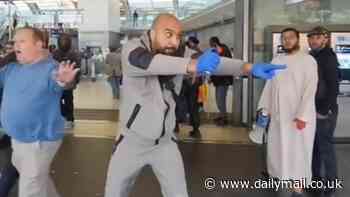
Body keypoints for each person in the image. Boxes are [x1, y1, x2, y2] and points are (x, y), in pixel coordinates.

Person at [104, 13, 286, 197]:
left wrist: (249, 68)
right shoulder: (132, 49)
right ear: (152, 33)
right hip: (131, 142)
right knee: (114, 193)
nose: (174, 42)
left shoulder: (179, 52)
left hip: (165, 143)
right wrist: (192, 65)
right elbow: (148, 62)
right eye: (168, 34)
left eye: (178, 36)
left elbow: (217, 64)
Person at [0, 27, 78, 197]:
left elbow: (59, 80)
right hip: (18, 139)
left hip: (39, 142)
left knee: (31, 188)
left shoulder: (50, 68)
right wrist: (7, 58)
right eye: (14, 42)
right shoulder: (12, 69)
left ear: (39, 45)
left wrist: (64, 81)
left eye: (22, 41)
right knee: (38, 180)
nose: (15, 45)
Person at [258, 28, 318, 197]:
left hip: (299, 118)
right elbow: (269, 86)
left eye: (290, 37)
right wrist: (266, 110)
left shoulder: (308, 60)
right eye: (284, 38)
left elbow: (310, 89)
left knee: (299, 153)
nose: (287, 41)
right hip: (279, 116)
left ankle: (298, 189)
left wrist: (303, 115)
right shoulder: (277, 60)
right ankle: (283, 183)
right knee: (279, 150)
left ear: (298, 39)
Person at [308, 26, 340, 197]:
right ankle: (315, 182)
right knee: (315, 148)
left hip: (324, 111)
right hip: (314, 109)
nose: (313, 40)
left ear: (325, 39)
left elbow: (334, 86)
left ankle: (331, 185)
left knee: (325, 149)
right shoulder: (314, 56)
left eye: (317, 37)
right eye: (311, 38)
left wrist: (323, 110)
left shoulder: (327, 57)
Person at [53, 33, 81, 129]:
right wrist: (76, 81)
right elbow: (78, 69)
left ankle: (64, 117)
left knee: (58, 101)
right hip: (69, 84)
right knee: (69, 100)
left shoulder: (54, 54)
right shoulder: (74, 54)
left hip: (58, 84)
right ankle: (69, 119)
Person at [209, 36, 233, 126]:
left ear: (215, 43)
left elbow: (221, 63)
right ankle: (221, 115)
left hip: (223, 80)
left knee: (220, 100)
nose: (210, 45)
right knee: (218, 99)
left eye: (211, 43)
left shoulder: (223, 50)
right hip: (218, 80)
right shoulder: (218, 51)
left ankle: (224, 119)